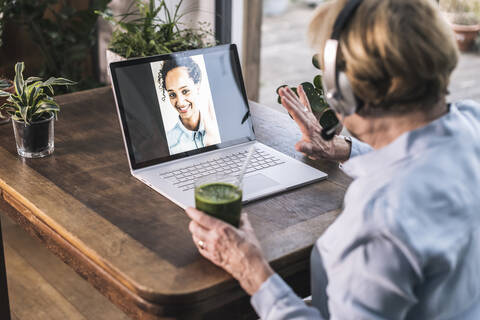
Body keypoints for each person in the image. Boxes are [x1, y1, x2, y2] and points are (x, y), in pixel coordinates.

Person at [186, 0, 480, 319]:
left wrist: (250, 268)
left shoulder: (379, 223)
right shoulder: (470, 123)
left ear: (345, 91)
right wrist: (343, 149)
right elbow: (413, 161)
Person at [159, 57, 220, 155]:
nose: (180, 103)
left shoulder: (218, 126)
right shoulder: (168, 144)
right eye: (172, 95)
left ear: (198, 86)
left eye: (185, 91)